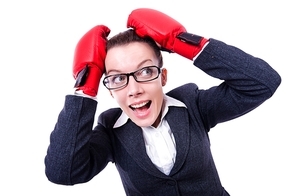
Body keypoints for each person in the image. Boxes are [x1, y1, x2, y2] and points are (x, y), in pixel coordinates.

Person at [44, 8, 281, 196]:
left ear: (163, 76)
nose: (134, 90)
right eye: (117, 78)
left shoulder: (193, 105)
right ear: (108, 90)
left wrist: (184, 42)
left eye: (145, 71)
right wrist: (84, 88)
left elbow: (263, 82)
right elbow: (62, 172)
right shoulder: (109, 129)